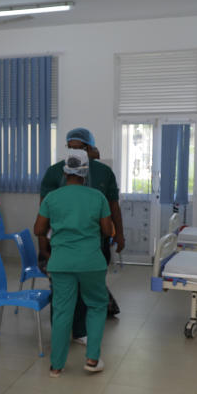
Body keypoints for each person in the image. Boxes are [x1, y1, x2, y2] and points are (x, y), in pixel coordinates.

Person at [39, 128, 123, 345]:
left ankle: (80, 330)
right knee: (61, 293)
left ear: (91, 148)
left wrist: (119, 235)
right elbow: (42, 217)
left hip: (93, 246)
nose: (76, 151)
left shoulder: (103, 173)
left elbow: (114, 206)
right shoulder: (54, 172)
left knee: (87, 291)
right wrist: (43, 248)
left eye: (81, 147)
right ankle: (60, 336)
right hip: (61, 246)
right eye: (72, 147)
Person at [35, 149, 114, 377]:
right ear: (85, 171)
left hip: (61, 263)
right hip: (91, 262)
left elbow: (38, 229)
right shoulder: (97, 197)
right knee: (97, 306)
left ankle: (56, 366)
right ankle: (92, 359)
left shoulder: (52, 198)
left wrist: (59, 227)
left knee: (62, 311)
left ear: (64, 170)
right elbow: (107, 230)